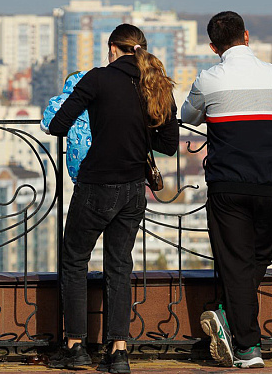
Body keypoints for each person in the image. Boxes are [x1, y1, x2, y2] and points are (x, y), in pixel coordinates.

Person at [46, 24, 179, 373]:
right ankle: (118, 351)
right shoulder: (158, 84)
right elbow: (167, 145)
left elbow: (59, 125)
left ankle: (75, 347)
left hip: (96, 185)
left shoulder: (99, 78)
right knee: (119, 266)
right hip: (134, 188)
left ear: (113, 48)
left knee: (74, 260)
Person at [181, 11, 272, 369]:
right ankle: (240, 333)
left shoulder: (209, 79)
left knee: (236, 263)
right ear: (247, 36)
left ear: (213, 46)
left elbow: (188, 116)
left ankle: (243, 342)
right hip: (271, 183)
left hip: (227, 185)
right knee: (258, 258)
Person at [41, 71, 91, 183]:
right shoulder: (96, 100)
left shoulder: (62, 100)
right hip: (101, 162)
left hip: (77, 163)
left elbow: (45, 125)